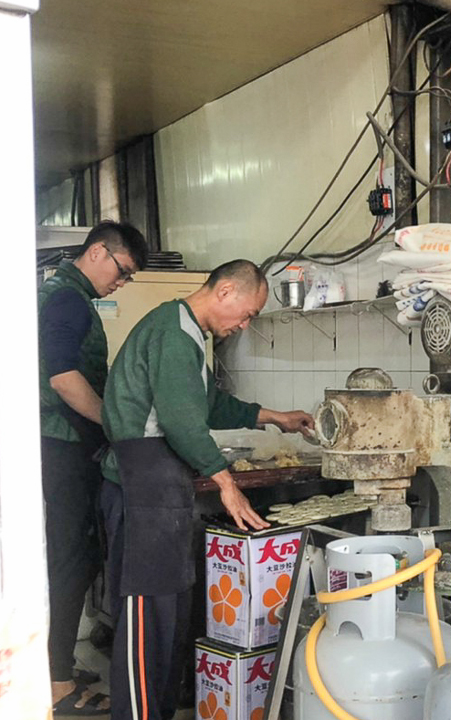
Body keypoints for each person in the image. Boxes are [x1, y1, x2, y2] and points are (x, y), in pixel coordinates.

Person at [99, 259, 314, 720]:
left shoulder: (191, 335)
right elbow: (179, 422)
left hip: (161, 488)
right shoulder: (173, 332)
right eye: (248, 312)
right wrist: (226, 483)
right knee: (146, 621)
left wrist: (275, 417)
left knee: (167, 618)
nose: (245, 324)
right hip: (142, 487)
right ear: (225, 291)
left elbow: (208, 405)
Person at [38, 221, 148, 716]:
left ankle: (53, 663)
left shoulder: (67, 294)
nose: (121, 283)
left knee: (71, 558)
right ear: (99, 252)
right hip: (62, 446)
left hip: (62, 445)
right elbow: (63, 378)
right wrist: (114, 423)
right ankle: (59, 683)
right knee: (70, 559)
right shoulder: (66, 299)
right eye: (122, 271)